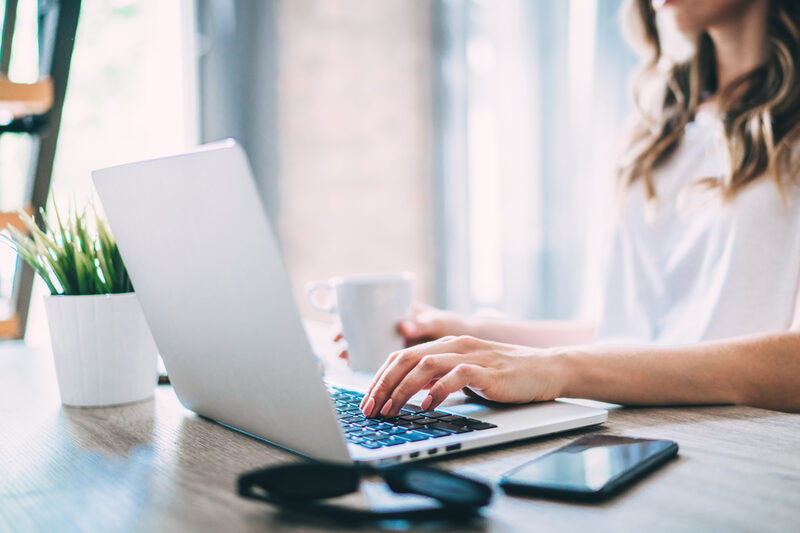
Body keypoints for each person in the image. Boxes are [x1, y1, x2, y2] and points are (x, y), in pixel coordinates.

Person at [345, 0, 800, 417]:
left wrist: (558, 368)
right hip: (639, 429)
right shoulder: (660, 130)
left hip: (743, 441)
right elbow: (630, 337)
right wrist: (471, 336)